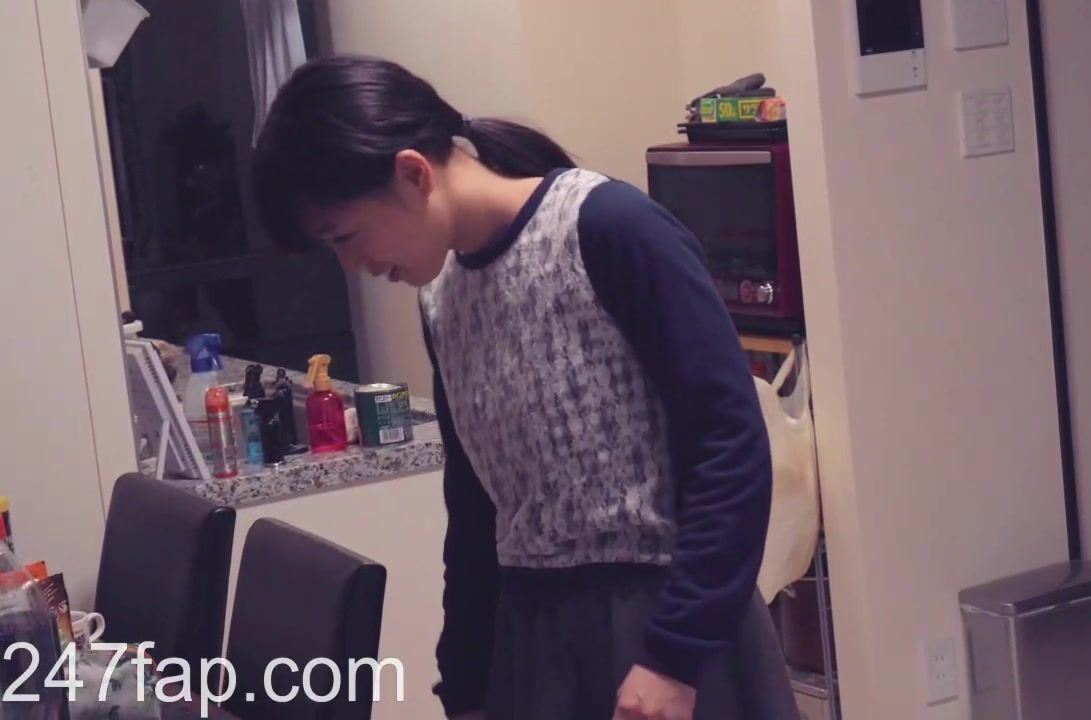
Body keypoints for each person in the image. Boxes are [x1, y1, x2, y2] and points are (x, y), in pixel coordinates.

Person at [251, 55, 798, 720]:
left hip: (668, 630)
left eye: (346, 236)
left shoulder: (608, 227)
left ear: (413, 173)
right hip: (532, 646)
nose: (352, 265)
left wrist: (673, 658)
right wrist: (464, 686)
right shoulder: (442, 299)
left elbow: (730, 447)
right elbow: (474, 509)